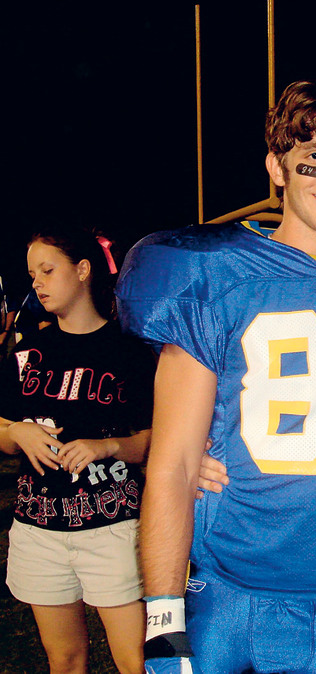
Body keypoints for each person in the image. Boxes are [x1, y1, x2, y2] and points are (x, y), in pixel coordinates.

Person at [116, 76, 316, 673]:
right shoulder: (213, 273)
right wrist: (162, 625)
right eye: (313, 158)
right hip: (230, 592)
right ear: (276, 167)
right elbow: (174, 465)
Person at [0, 225, 155, 674]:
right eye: (32, 275)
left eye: (47, 270)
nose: (37, 283)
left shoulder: (129, 352)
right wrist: (18, 434)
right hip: (37, 531)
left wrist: (106, 446)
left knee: (135, 661)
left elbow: (156, 442)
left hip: (111, 530)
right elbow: (3, 426)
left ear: (83, 270)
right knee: (64, 660)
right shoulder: (29, 352)